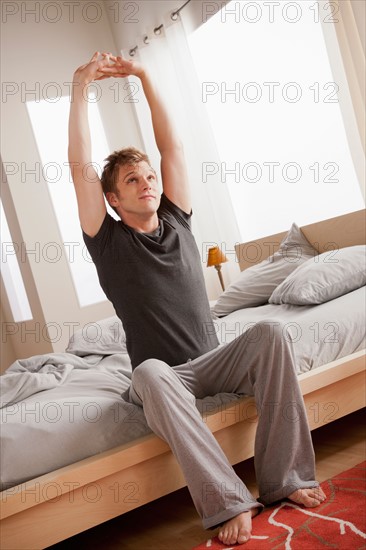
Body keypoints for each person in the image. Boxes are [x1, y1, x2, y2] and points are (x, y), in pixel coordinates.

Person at [68, 52, 326, 546]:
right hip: (166, 378)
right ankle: (227, 500)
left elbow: (174, 146)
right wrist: (81, 87)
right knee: (147, 372)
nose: (146, 183)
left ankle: (285, 479)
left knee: (271, 331)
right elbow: (79, 165)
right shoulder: (107, 240)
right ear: (113, 200)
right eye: (131, 180)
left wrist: (143, 75)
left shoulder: (178, 222)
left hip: (212, 363)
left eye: (149, 176)